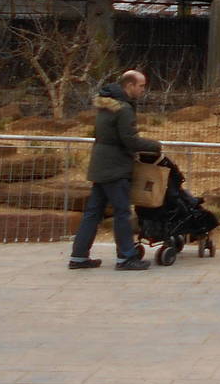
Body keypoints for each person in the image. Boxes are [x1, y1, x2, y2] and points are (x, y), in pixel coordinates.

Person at [68, 69, 161, 271]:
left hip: (100, 165)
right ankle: (126, 257)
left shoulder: (106, 106)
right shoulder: (124, 109)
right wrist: (155, 146)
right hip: (116, 168)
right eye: (141, 85)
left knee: (93, 212)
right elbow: (129, 139)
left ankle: (79, 256)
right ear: (129, 86)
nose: (143, 90)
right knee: (122, 212)